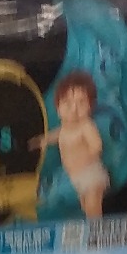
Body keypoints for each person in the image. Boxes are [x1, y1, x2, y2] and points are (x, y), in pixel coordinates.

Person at [32, 71, 108, 220]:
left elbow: (97, 145)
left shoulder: (86, 126)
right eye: (67, 103)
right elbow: (56, 135)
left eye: (81, 103)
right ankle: (92, 224)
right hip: (75, 177)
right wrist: (43, 140)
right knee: (85, 206)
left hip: (91, 174)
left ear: (91, 107)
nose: (74, 109)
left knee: (93, 206)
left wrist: (91, 154)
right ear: (57, 107)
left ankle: (97, 228)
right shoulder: (64, 129)